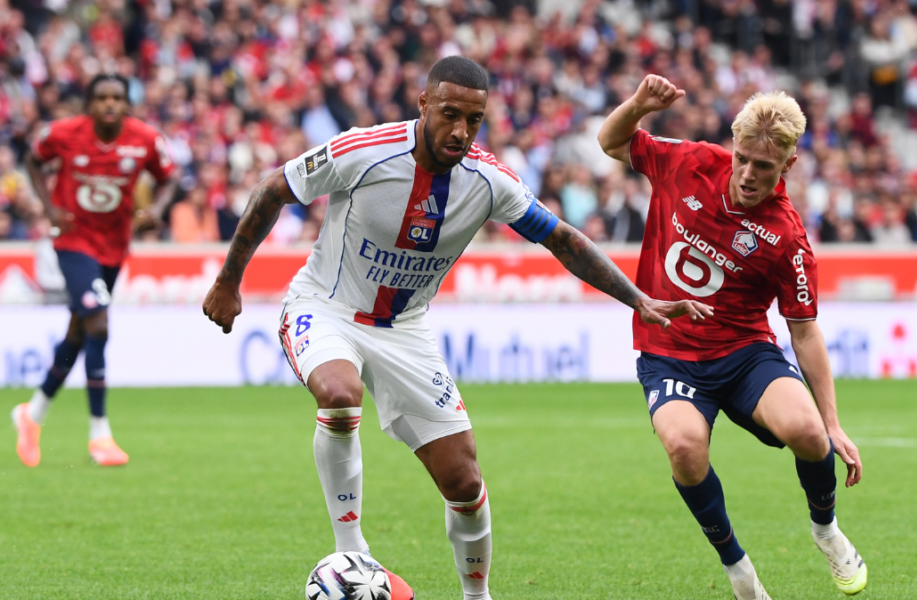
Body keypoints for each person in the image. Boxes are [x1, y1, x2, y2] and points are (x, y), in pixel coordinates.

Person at [202, 56, 711, 600]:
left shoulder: (488, 180)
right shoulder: (364, 150)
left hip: (406, 331)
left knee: (464, 482)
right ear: (423, 104)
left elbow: (563, 239)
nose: (461, 131)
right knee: (339, 392)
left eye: (475, 120)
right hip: (326, 307)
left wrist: (638, 300)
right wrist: (229, 280)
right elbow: (270, 190)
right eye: (449, 114)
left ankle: (477, 596)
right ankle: (351, 552)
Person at [598, 76, 866, 599]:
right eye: (742, 157)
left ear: (787, 166)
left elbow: (804, 331)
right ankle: (740, 572)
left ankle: (826, 531)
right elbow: (611, 142)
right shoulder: (689, 161)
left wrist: (833, 422)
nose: (746, 173)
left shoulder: (786, 236)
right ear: (732, 144)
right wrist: (637, 105)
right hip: (669, 355)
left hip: (744, 355)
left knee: (809, 434)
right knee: (682, 444)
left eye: (762, 166)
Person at [11, 73, 177, 467]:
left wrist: (155, 210)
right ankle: (99, 433)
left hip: (113, 246)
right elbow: (34, 160)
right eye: (100, 97)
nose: (108, 104)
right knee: (98, 325)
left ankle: (31, 415)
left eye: (116, 97)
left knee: (78, 332)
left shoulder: (145, 139)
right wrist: (50, 209)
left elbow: (168, 179)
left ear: (126, 104)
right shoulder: (65, 133)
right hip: (73, 242)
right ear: (89, 104)